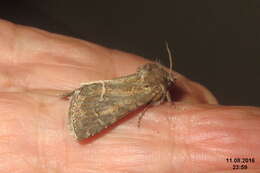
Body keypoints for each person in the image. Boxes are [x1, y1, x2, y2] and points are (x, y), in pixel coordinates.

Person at [0, 19, 259, 172]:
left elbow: (147, 75)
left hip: (105, 89)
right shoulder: (156, 89)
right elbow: (157, 93)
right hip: (108, 103)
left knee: (110, 89)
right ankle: (83, 103)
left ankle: (79, 97)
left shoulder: (154, 81)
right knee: (115, 97)